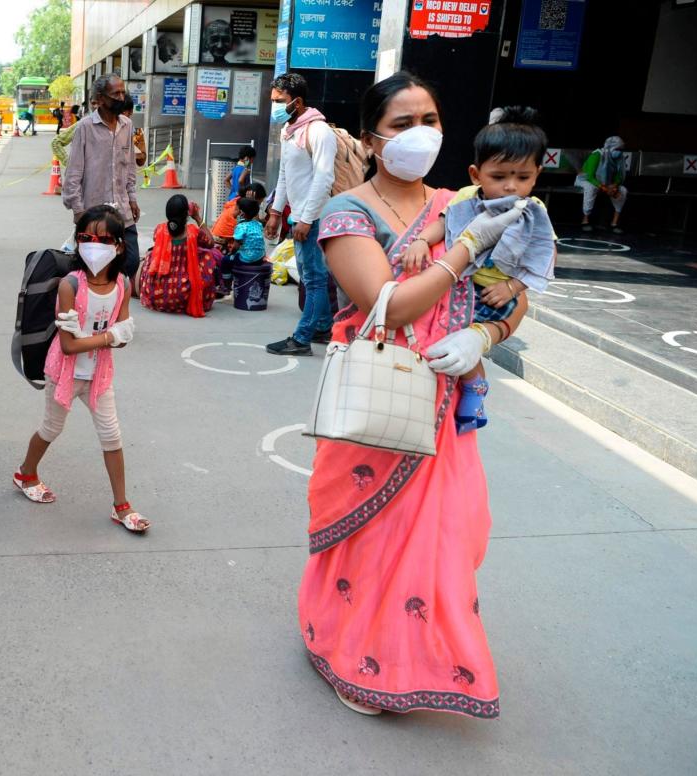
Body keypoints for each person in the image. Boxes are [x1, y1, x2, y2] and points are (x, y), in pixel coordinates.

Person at [299, 72, 530, 718]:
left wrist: (487, 333)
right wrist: (459, 251)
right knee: (374, 540)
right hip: (380, 404)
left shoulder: (463, 202)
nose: (419, 133)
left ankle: (412, 658)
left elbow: (514, 294)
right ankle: (354, 658)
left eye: (429, 118)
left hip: (449, 409)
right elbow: (389, 306)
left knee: (446, 541)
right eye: (402, 124)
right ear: (371, 140)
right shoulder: (348, 214)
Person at [403, 106, 556, 433]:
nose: (511, 187)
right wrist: (419, 241)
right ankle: (474, 386)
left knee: (460, 341)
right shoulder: (466, 198)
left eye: (523, 177)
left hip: (497, 295)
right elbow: (444, 225)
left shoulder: (533, 212)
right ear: (476, 174)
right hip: (461, 287)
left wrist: (513, 287)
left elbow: (544, 256)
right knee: (442, 338)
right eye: (499, 177)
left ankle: (474, 386)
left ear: (537, 174)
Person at [13, 205, 149, 534]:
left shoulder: (122, 286)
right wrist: (109, 336)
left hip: (99, 376)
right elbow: (69, 345)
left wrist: (118, 337)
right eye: (86, 237)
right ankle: (25, 474)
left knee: (112, 436)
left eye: (102, 238)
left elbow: (121, 336)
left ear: (118, 245)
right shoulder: (70, 286)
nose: (93, 244)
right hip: (65, 374)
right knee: (51, 428)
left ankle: (122, 506)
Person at [264, 72, 339, 357]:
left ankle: (302, 337)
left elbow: (324, 179)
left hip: (313, 218)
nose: (275, 106)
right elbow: (285, 175)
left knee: (315, 278)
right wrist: (275, 212)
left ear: (297, 101)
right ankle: (321, 326)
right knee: (310, 276)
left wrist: (306, 218)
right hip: (298, 216)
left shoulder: (319, 131)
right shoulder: (289, 130)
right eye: (272, 100)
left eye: (279, 101)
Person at [64, 75, 141, 288]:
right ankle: (100, 309)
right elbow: (73, 174)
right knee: (94, 267)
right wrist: (79, 211)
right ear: (100, 98)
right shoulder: (85, 128)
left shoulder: (127, 125)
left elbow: (130, 167)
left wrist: (132, 198)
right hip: (94, 214)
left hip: (122, 210)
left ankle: (111, 301)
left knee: (131, 261)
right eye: (115, 93)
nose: (121, 97)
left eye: (123, 92)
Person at [138, 194, 220, 316]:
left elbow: (168, 233)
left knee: (151, 254)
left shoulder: (159, 230)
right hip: (185, 294)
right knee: (209, 255)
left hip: (157, 293)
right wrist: (197, 217)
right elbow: (210, 242)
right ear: (186, 215)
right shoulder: (193, 232)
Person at [576, 135, 628, 233]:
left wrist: (615, 185)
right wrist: (603, 187)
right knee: (591, 188)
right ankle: (585, 220)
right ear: (610, 147)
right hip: (585, 180)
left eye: (621, 149)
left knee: (623, 190)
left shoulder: (619, 158)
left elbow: (619, 175)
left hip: (607, 183)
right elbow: (589, 176)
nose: (619, 152)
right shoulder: (597, 155)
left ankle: (614, 223)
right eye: (617, 149)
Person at [218, 196, 266, 297]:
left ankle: (226, 286)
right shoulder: (258, 224)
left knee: (226, 260)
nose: (234, 211)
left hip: (247, 259)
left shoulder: (241, 227)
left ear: (242, 213)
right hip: (260, 257)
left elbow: (236, 246)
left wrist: (231, 253)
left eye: (236, 209)